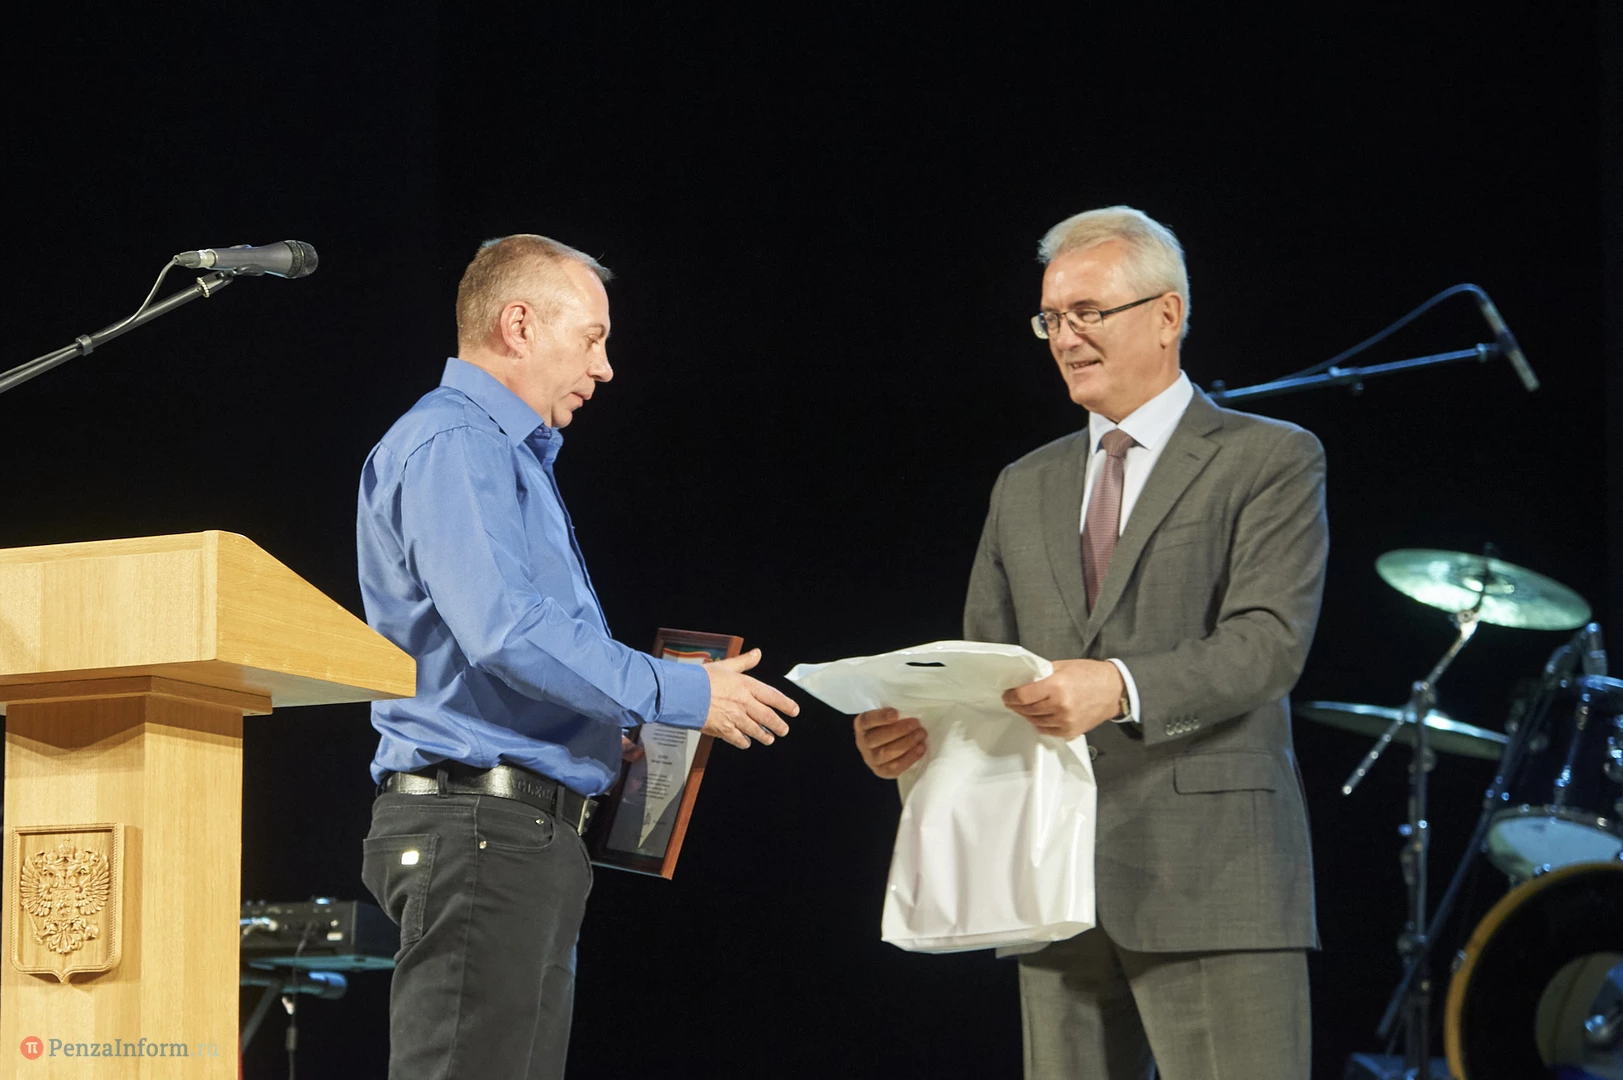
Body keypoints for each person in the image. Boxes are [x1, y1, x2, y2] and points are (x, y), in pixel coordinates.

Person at [852, 207, 1328, 1079]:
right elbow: (986, 673)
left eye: (1087, 312)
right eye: (1050, 319)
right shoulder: (1022, 485)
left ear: (1166, 314)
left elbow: (1268, 643)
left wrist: (1117, 685)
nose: (1065, 337)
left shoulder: (1268, 458)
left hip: (1213, 875)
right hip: (1052, 884)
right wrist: (918, 739)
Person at [356, 234, 799, 1080]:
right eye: (592, 338)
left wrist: (606, 732)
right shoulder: (455, 440)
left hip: (512, 836)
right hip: (479, 830)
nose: (605, 368)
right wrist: (675, 692)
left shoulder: (498, 452)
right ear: (518, 324)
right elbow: (505, 630)